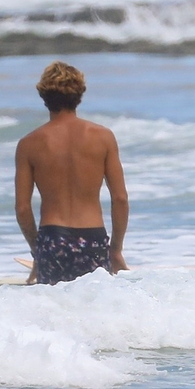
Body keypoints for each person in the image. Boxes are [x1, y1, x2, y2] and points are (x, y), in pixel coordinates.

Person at [15, 61, 129, 285]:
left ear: (43, 95)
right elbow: (120, 198)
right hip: (93, 240)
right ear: (80, 94)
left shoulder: (29, 144)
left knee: (54, 311)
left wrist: (38, 250)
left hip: (52, 240)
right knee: (96, 309)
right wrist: (115, 250)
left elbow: (22, 208)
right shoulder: (103, 137)